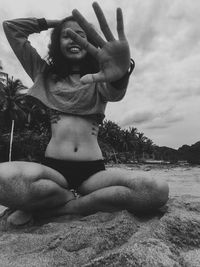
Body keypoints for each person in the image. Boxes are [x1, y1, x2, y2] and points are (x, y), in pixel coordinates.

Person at [1, 2, 169, 225]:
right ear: (57, 43)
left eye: (80, 34)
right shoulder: (44, 74)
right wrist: (56, 24)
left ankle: (67, 207)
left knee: (156, 190)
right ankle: (65, 198)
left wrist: (120, 74)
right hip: (53, 171)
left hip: (93, 173)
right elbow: (12, 28)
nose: (73, 38)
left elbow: (116, 94)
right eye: (66, 35)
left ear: (88, 41)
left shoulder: (100, 77)